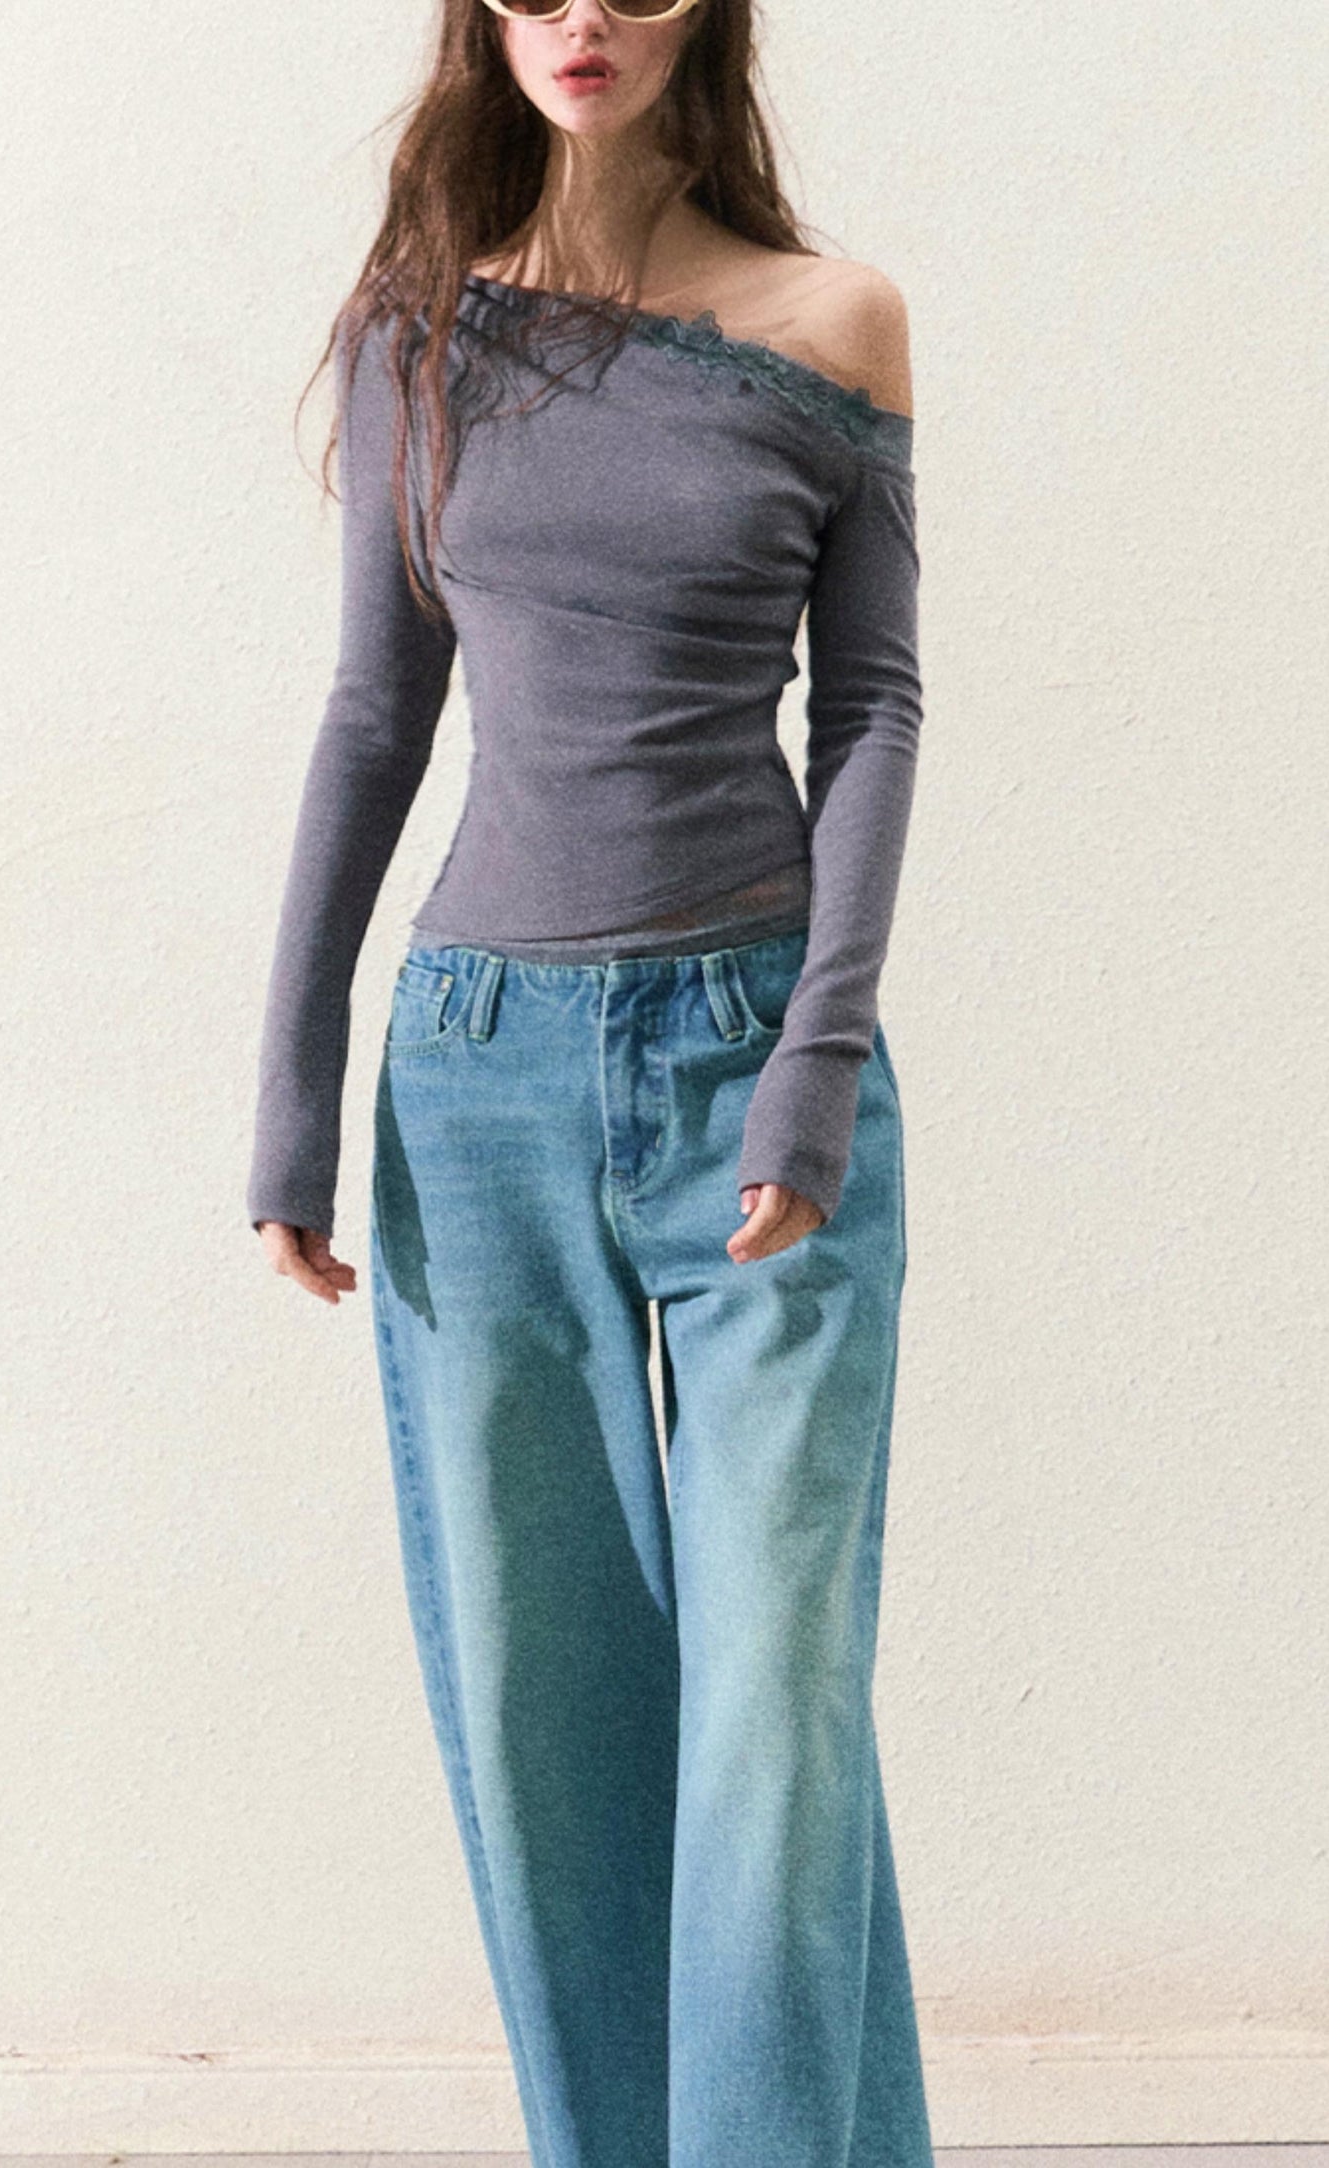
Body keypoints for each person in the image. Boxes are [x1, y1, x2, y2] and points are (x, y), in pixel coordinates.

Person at [247, 0, 933, 2161]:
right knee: (545, 1711)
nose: (582, 16)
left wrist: (816, 1064)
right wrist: (290, 1094)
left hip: (758, 1063)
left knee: (774, 1714)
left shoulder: (830, 323)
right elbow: (374, 716)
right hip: (477, 1086)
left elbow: (873, 711)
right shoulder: (416, 331)